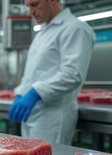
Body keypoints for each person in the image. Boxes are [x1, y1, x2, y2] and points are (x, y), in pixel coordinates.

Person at [8, 0, 95, 145]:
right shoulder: (43, 32)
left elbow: (72, 74)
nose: (30, 11)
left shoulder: (75, 29)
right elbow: (32, 72)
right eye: (28, 6)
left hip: (53, 116)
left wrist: (35, 93)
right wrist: (21, 93)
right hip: (31, 114)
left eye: (35, 4)